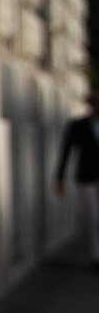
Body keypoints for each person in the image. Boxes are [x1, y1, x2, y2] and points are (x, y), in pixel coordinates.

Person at [54, 92, 99, 267]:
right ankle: (96, 254)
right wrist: (60, 176)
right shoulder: (78, 125)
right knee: (93, 216)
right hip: (86, 177)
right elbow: (66, 151)